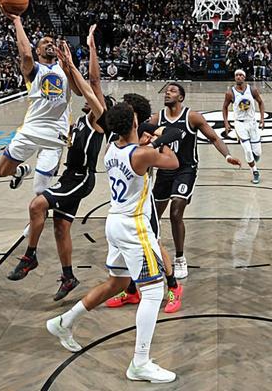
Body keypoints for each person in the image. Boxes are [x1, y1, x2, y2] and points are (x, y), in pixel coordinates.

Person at [46, 102, 179, 384]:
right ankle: (140, 363)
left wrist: (148, 141)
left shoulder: (110, 148)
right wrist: (160, 140)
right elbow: (172, 162)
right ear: (135, 124)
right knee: (153, 291)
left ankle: (63, 322)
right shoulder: (142, 154)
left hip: (115, 222)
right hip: (134, 226)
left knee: (117, 283)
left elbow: (136, 150)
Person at [7, 36, 106, 301]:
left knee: (37, 205)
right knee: (61, 228)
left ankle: (30, 256)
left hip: (81, 178)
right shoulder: (77, 122)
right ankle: (68, 276)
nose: (87, 96)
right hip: (70, 176)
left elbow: (94, 83)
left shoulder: (98, 120)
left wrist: (86, 53)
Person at [149, 83, 241, 278]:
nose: (167, 93)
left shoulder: (192, 117)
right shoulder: (157, 118)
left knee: (176, 212)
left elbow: (214, 138)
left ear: (181, 97)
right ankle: (152, 253)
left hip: (186, 170)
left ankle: (180, 258)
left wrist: (227, 156)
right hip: (164, 170)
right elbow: (143, 135)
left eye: (173, 91)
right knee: (152, 217)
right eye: (167, 91)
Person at [0, 6, 81, 196]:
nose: (50, 44)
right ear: (38, 50)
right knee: (1, 172)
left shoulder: (64, 69)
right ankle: (20, 172)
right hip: (31, 129)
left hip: (55, 134)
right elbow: (25, 54)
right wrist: (17, 21)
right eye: (45, 42)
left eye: (52, 42)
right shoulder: (33, 70)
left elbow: (78, 92)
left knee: (40, 191)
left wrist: (69, 66)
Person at [222, 69, 265, 184]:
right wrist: (226, 122)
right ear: (234, 77)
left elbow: (261, 102)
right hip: (240, 123)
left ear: (244, 77)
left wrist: (262, 118)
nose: (238, 77)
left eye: (241, 75)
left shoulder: (252, 90)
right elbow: (224, 107)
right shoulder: (230, 93)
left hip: (252, 122)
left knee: (257, 153)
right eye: (236, 75)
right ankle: (255, 171)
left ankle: (252, 161)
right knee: (248, 151)